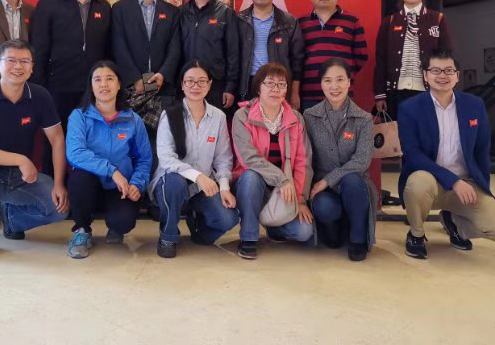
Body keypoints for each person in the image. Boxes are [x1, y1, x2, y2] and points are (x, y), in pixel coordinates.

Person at [0, 40, 70, 262]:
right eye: (11, 60)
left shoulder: (40, 96)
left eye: (24, 61)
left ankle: (11, 219)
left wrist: (59, 183)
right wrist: (20, 159)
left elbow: (57, 139)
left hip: (21, 178)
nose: (18, 66)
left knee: (59, 209)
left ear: (32, 67)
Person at [399, 50, 495, 259]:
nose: (443, 75)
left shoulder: (474, 105)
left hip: (466, 182)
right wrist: (453, 181)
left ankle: (454, 225)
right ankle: (416, 234)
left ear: (457, 75)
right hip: (430, 181)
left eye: (449, 70)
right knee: (417, 183)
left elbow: (481, 151)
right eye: (436, 70)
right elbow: (413, 156)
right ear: (425, 75)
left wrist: (484, 189)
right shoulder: (410, 108)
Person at [31, 0, 111, 176]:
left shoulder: (103, 6)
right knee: (55, 141)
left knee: (92, 141)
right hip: (57, 87)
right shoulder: (48, 4)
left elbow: (108, 51)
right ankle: (52, 189)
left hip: (93, 90)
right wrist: (40, 87)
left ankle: (84, 191)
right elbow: (38, 49)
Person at [149, 60, 239, 258]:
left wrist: (224, 188)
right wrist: (198, 176)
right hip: (171, 183)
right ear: (182, 84)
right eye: (189, 81)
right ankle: (168, 235)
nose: (195, 86)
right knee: (174, 182)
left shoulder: (218, 117)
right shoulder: (170, 114)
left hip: (202, 187)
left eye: (201, 81)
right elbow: (166, 159)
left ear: (209, 84)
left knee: (228, 219)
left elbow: (224, 159)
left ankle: (198, 227)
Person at [65, 61, 153, 258]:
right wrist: (111, 171)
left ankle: (115, 226)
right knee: (78, 178)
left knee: (124, 221)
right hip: (90, 184)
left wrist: (137, 184)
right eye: (98, 80)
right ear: (91, 85)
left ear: (119, 84)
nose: (104, 84)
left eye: (109, 79)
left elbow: (144, 159)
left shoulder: (133, 119)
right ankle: (82, 230)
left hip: (120, 189)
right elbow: (75, 152)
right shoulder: (79, 116)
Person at [231, 62, 314, 259]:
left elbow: (303, 161)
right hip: (252, 185)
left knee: (304, 232)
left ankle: (274, 226)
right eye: (269, 83)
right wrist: (281, 179)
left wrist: (301, 199)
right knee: (252, 176)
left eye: (281, 84)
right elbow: (248, 158)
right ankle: (249, 236)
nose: (275, 89)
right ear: (258, 87)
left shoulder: (295, 118)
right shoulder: (242, 116)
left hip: (284, 189)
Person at [303, 59, 377, 261]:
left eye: (340, 80)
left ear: (348, 82)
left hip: (353, 186)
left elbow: (361, 160)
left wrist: (327, 180)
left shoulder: (363, 119)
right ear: (321, 84)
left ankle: (358, 239)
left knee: (352, 180)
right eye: (327, 80)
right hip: (323, 189)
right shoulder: (309, 116)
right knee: (326, 211)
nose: (334, 86)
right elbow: (305, 157)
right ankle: (336, 230)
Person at [375, 0, 454, 120]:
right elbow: (381, 60)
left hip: (428, 91)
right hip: (396, 92)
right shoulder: (389, 22)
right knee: (399, 133)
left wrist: (443, 88)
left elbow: (447, 57)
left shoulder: (437, 19)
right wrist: (380, 94)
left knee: (426, 132)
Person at [111, 0, 181, 99]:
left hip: (163, 85)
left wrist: (163, 74)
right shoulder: (120, 9)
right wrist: (135, 78)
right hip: (130, 86)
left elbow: (175, 48)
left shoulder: (172, 11)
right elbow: (119, 46)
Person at [298, 0, 367, 111]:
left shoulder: (352, 21)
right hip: (310, 94)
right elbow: (297, 58)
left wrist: (341, 75)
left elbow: (361, 56)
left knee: (342, 126)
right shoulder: (301, 23)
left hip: (340, 93)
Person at [179, 0, 240, 112]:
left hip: (215, 85)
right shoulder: (180, 13)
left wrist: (230, 87)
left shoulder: (226, 13)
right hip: (185, 84)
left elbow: (233, 53)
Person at [237, 0, 304, 106]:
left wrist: (294, 92)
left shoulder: (289, 22)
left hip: (277, 85)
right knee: (247, 118)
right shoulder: (238, 20)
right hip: (247, 84)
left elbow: (297, 62)